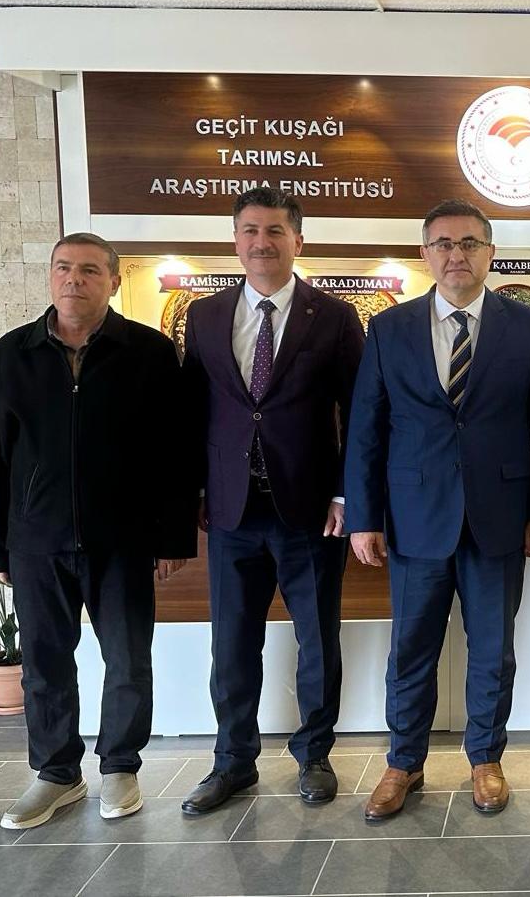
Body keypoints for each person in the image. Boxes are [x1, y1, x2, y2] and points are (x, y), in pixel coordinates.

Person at [345, 198, 530, 820]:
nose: (456, 254)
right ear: (425, 254)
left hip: (501, 516)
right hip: (415, 518)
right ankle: (403, 762)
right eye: (443, 243)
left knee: (492, 650)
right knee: (410, 648)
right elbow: (366, 428)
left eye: (469, 243)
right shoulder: (390, 329)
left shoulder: (527, 328)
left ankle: (485, 760)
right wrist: (363, 516)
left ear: (490, 253)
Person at [0, 233, 195, 829]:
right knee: (46, 664)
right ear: (51, 276)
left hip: (122, 540)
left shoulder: (149, 351)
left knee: (127, 660)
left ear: (114, 282)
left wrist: (173, 537)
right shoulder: (11, 355)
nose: (74, 279)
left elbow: (175, 453)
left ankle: (120, 765)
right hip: (35, 541)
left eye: (90, 270)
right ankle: (56, 774)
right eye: (64, 268)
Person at [179, 187, 364, 815]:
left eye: (276, 231)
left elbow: (359, 414)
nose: (262, 242)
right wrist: (195, 491)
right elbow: (194, 411)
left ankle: (315, 755)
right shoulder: (204, 316)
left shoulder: (333, 316)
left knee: (317, 641)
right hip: (230, 512)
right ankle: (232, 762)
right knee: (232, 646)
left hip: (310, 511)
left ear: (298, 241)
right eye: (251, 231)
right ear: (235, 240)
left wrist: (346, 493)